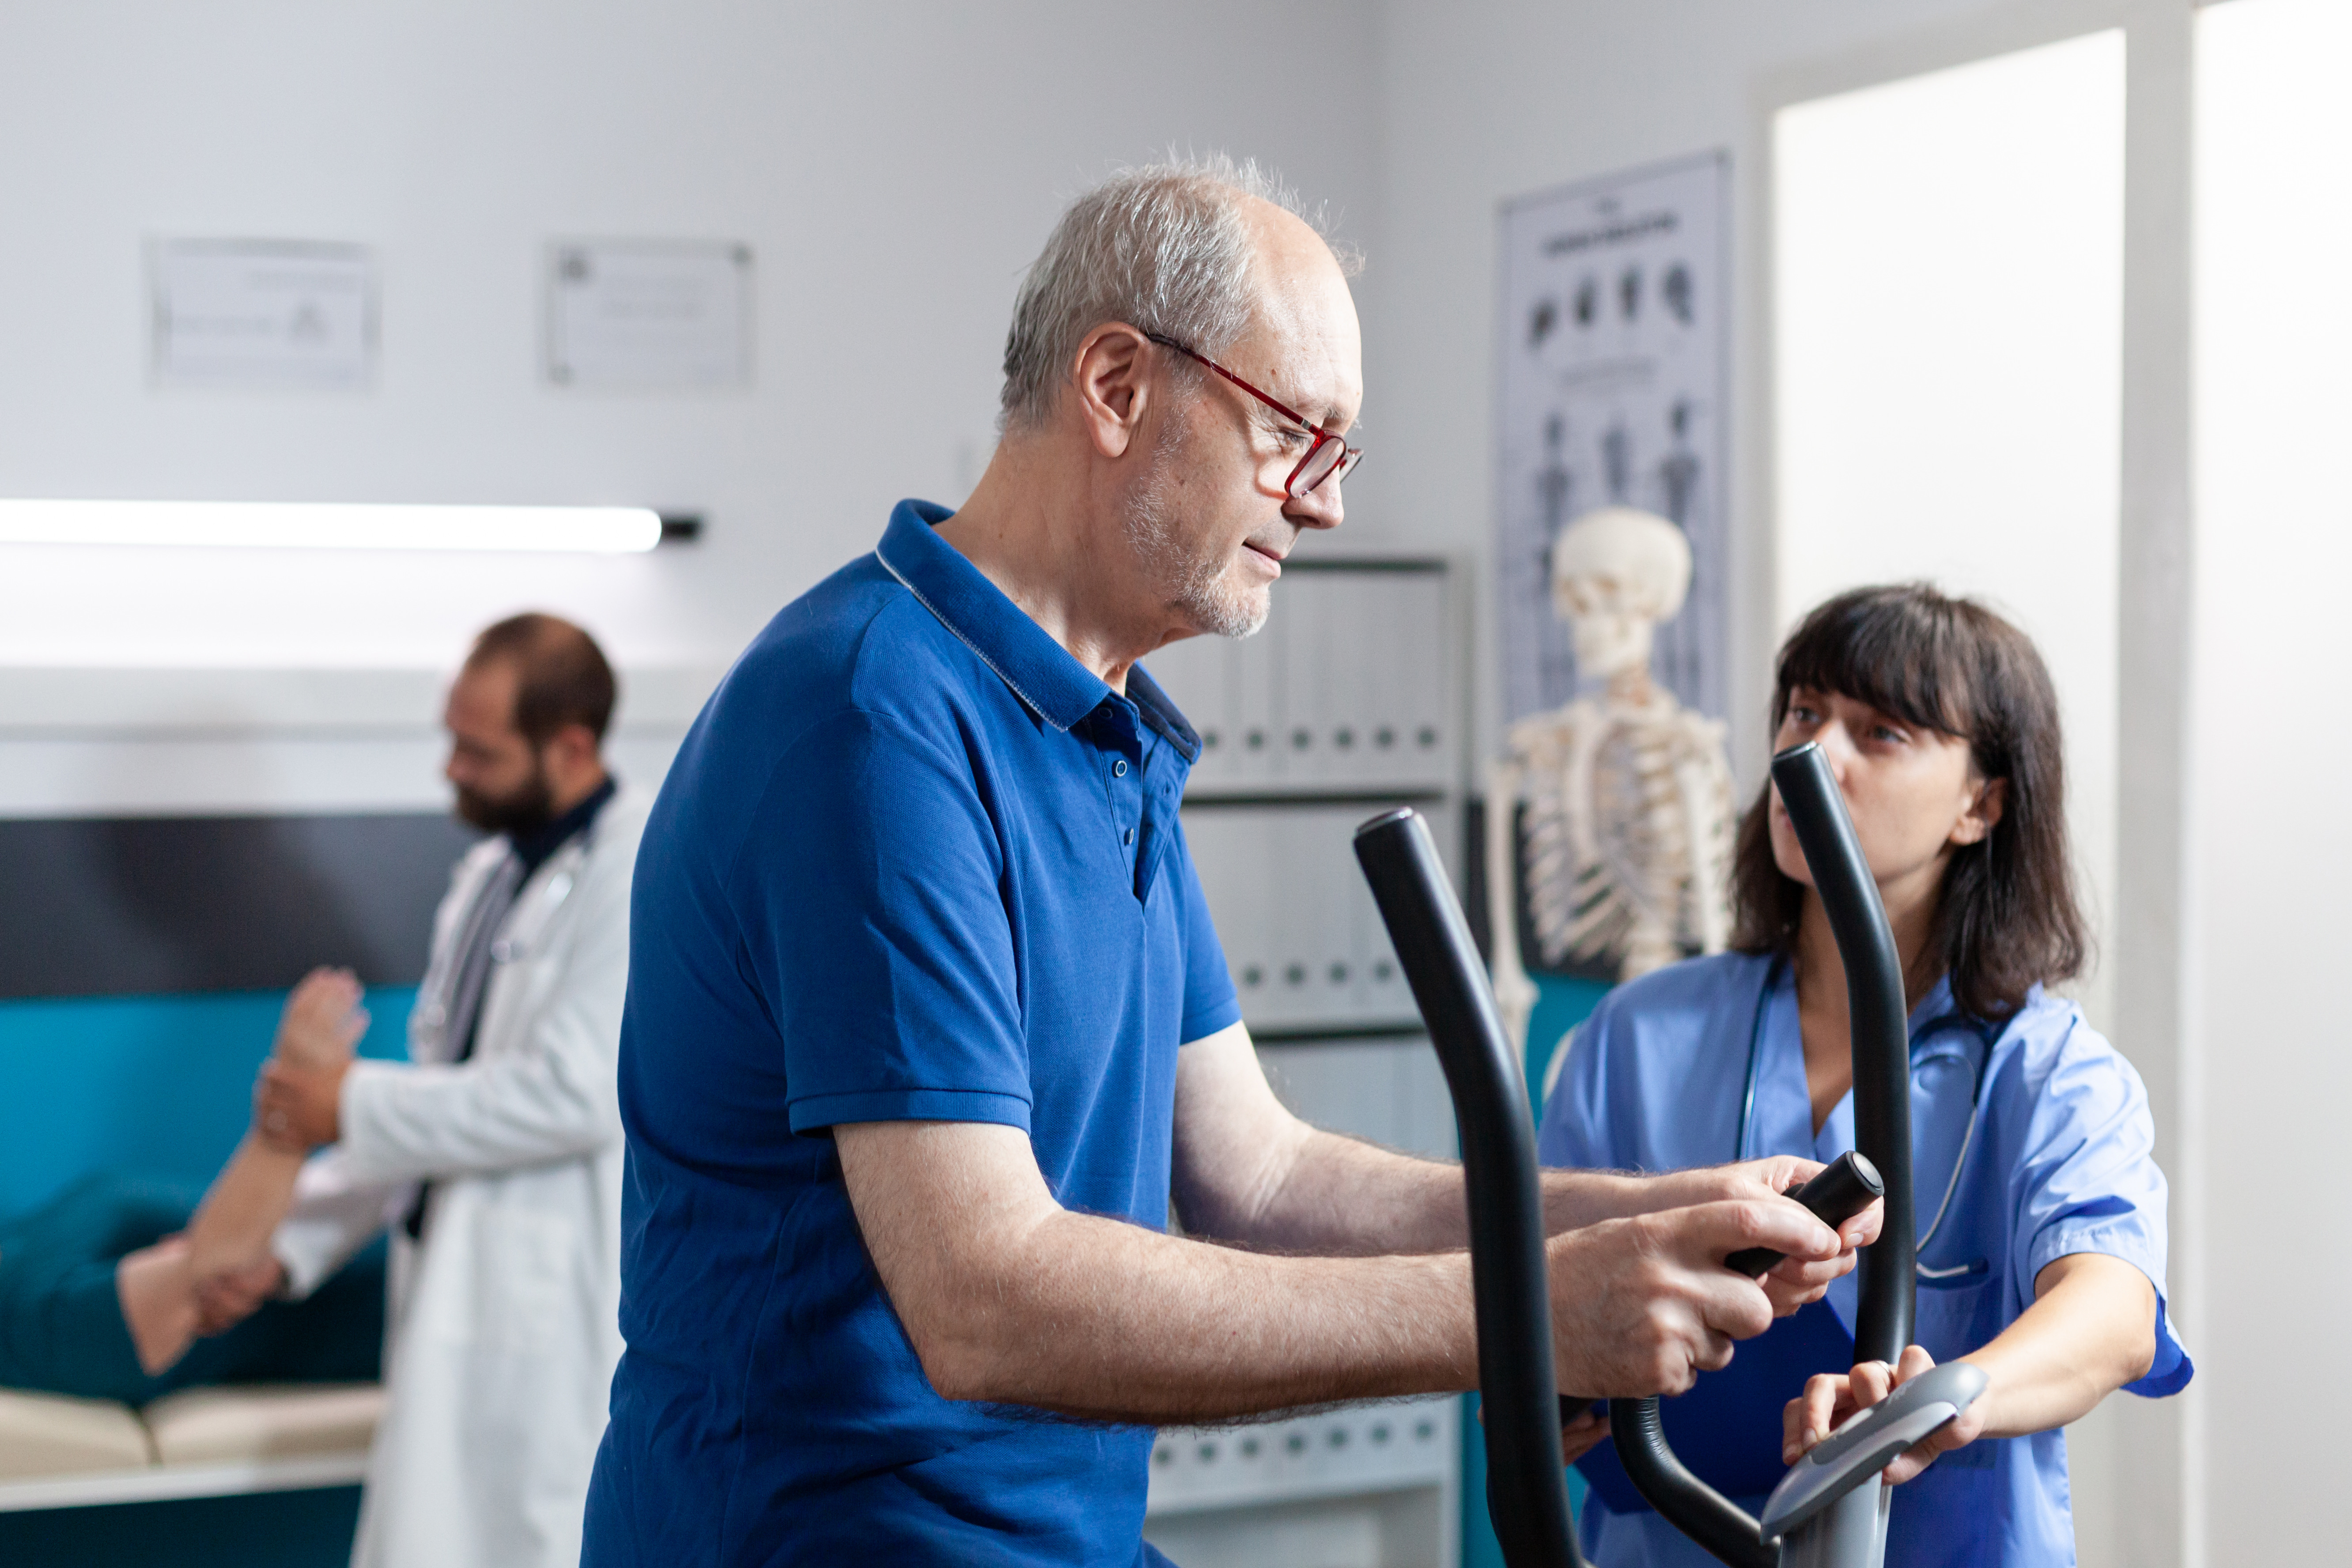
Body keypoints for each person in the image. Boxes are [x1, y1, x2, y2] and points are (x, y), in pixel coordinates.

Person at [583, 156, 1879, 1568]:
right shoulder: (868, 715)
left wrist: (1655, 1213)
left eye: (1340, 454)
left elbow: (1255, 1176)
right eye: (1290, 437)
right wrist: (1527, 1309)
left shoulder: (1104, 728)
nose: (1319, 505)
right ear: (1118, 384)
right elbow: (983, 1294)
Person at [1538, 584, 2194, 1567]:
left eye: (1880, 732)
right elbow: (1539, 1283)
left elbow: (2112, 1311)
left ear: (1980, 802)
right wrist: (1548, 1379)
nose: (1815, 758)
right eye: (1803, 713)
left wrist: (1938, 1401)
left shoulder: (2047, 1069)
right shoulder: (1638, 1032)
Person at [245, 613, 646, 1568]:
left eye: (477, 749)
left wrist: (345, 1101)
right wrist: (291, 1241)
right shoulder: (488, 877)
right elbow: (438, 1102)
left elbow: (575, 1091)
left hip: (546, 1308)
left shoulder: (634, 867)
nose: (450, 769)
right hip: (453, 1282)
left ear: (571, 745)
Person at [0, 970, 382, 1405]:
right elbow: (216, 1269)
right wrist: (289, 1111)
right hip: (397, 1296)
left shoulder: (16, 1252)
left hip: (384, 1214)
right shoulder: (38, 1328)